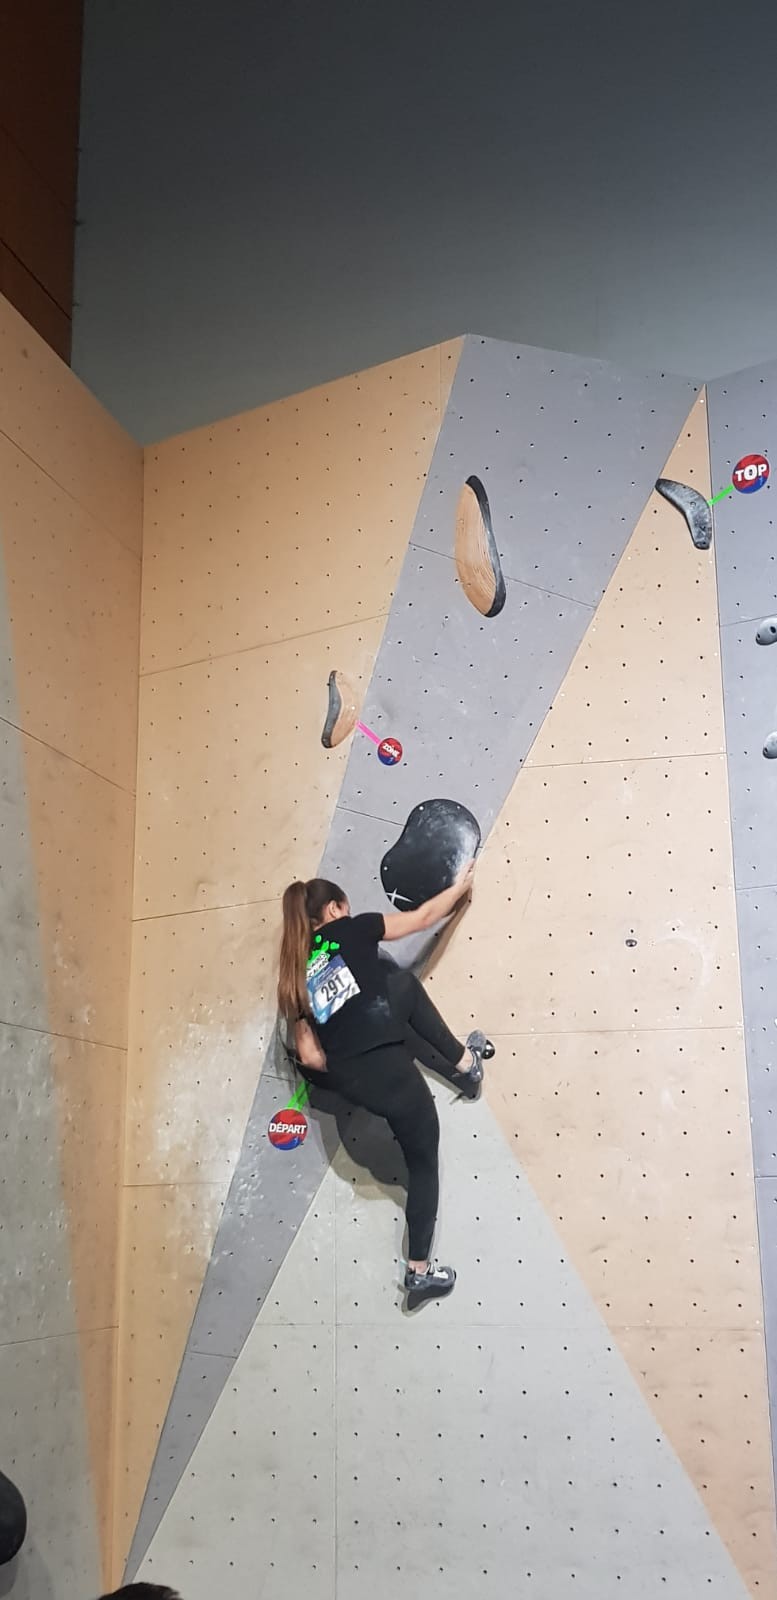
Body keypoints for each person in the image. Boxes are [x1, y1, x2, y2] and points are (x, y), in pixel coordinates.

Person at [277, 862, 493, 1309]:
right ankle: (419, 1272)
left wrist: (351, 1057)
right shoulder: (354, 927)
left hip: (353, 1079)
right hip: (390, 1073)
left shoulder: (297, 970)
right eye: (345, 906)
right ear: (334, 909)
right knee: (424, 1164)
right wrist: (460, 887)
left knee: (402, 987)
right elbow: (422, 918)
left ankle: (465, 1063)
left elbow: (311, 1057)